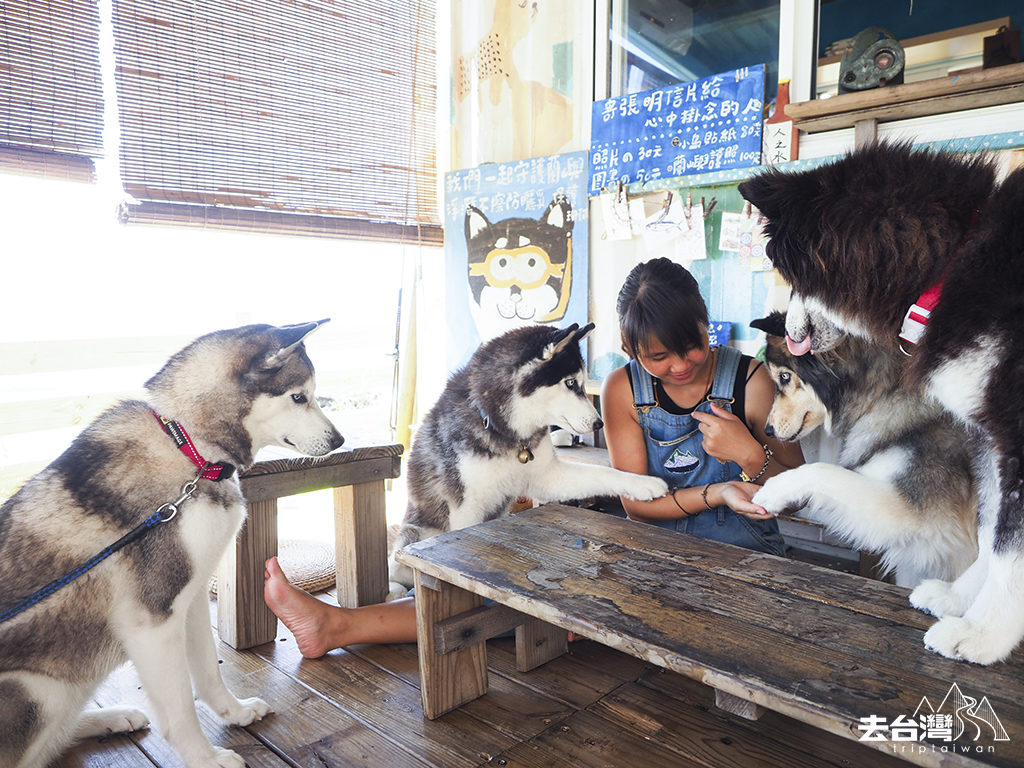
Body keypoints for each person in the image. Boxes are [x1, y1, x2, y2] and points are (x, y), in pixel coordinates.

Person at [600, 257, 803, 555]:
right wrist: (720, 492)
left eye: (692, 345)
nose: (681, 365)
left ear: (705, 321)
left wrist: (750, 456)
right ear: (629, 346)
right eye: (659, 357)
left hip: (747, 555)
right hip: (657, 554)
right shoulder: (621, 389)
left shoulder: (752, 381)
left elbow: (798, 498)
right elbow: (636, 506)